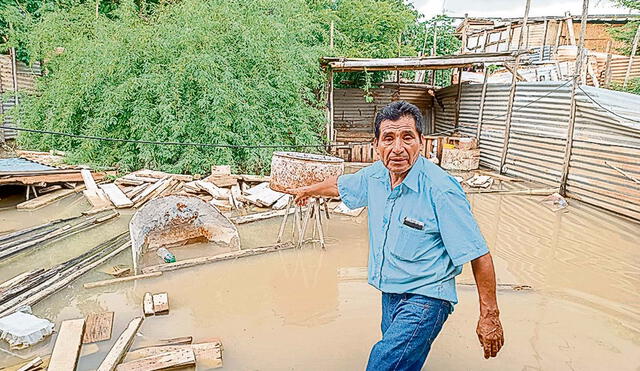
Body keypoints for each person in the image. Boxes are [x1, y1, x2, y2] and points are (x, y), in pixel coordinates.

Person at [289, 101, 504, 370]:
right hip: (391, 293)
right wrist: (309, 190)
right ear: (376, 144)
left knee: (382, 364)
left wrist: (489, 315)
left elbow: (478, 254)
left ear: (421, 142)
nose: (398, 148)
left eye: (407, 137)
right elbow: (340, 185)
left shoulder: (441, 190)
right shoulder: (377, 176)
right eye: (388, 138)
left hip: (427, 298)